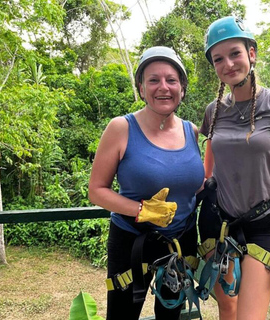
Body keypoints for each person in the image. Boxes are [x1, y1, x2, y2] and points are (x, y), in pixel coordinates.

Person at [198, 16, 270, 320]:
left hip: (262, 222)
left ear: (251, 54)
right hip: (217, 222)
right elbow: (207, 173)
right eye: (218, 59)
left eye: (235, 54)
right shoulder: (213, 111)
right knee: (228, 308)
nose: (228, 64)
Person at [88, 46, 205, 320]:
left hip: (180, 240)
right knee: (122, 315)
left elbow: (196, 184)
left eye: (171, 80)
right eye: (153, 80)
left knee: (170, 315)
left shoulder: (193, 132)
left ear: (182, 88)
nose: (163, 87)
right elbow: (96, 190)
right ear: (141, 88)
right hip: (132, 239)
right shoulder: (121, 128)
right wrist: (141, 210)